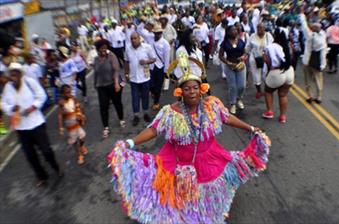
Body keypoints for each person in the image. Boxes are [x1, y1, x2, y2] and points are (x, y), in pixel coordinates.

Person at [108, 55, 270, 224]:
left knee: (207, 193)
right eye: (187, 89)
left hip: (208, 159)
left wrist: (251, 128)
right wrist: (130, 143)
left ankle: (206, 216)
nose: (192, 91)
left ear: (201, 88)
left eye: (195, 87)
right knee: (180, 194)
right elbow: (154, 129)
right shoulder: (169, 112)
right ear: (180, 92)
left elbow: (227, 118)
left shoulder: (212, 105)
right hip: (178, 161)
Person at [1, 63, 63, 187]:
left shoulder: (29, 82)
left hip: (36, 123)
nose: (13, 76)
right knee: (30, 155)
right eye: (11, 73)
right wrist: (11, 108)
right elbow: (4, 104)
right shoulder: (8, 87)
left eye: (16, 73)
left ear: (20, 73)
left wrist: (33, 107)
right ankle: (41, 176)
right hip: (21, 127)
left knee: (46, 150)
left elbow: (41, 96)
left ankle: (56, 167)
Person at [93, 39, 126, 138]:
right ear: (98, 49)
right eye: (101, 48)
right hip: (101, 86)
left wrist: (116, 83)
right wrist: (95, 84)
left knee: (117, 103)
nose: (104, 50)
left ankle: (121, 119)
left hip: (112, 84)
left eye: (105, 48)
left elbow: (116, 70)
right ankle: (106, 127)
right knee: (103, 106)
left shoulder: (111, 56)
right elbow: (96, 73)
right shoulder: (96, 59)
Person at [262, 28, 295, 123]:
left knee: (268, 91)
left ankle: (269, 111)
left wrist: (264, 57)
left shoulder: (271, 46)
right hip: (289, 72)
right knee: (283, 94)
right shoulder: (288, 46)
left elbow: (268, 61)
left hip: (277, 72)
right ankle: (282, 116)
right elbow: (292, 58)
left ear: (275, 36)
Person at [124, 32, 156, 126]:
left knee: (145, 96)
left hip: (145, 78)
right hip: (133, 79)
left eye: (135, 38)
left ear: (139, 38)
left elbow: (154, 59)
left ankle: (146, 113)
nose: (133, 40)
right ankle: (136, 116)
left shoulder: (147, 47)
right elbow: (126, 61)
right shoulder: (128, 49)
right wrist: (126, 74)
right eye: (132, 39)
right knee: (135, 98)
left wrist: (146, 61)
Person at [299, 10, 327, 104]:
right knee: (318, 79)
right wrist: (323, 64)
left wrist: (302, 14)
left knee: (308, 80)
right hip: (318, 62)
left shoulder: (310, 35)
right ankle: (318, 96)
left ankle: (310, 96)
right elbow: (323, 52)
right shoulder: (323, 36)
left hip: (308, 61)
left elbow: (304, 26)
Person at [219, 25, 248, 115]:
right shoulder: (225, 43)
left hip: (240, 65)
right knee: (232, 86)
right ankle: (233, 103)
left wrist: (243, 56)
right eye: (232, 30)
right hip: (230, 66)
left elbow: (245, 52)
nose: (235, 31)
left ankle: (239, 99)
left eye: (235, 29)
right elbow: (221, 55)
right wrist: (227, 63)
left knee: (241, 86)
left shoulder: (240, 41)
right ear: (228, 32)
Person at [58, 85, 88, 165]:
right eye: (67, 93)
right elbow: (60, 115)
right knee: (74, 141)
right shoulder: (61, 102)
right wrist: (61, 127)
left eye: (70, 92)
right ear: (62, 94)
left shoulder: (73, 98)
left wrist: (82, 115)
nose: (69, 94)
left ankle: (81, 146)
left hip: (77, 123)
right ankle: (79, 155)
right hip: (70, 126)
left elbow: (79, 106)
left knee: (82, 137)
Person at [246, 23, 274, 100]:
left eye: (262, 28)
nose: (260, 30)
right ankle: (259, 91)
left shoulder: (268, 36)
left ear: (264, 28)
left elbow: (272, 46)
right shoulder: (252, 36)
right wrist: (246, 54)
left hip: (265, 58)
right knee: (256, 75)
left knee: (265, 74)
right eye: (258, 28)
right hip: (255, 58)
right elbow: (248, 47)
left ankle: (266, 90)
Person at [150, 24, 170, 111]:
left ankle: (156, 102)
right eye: (155, 33)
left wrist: (166, 71)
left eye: (159, 33)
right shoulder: (151, 41)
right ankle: (155, 93)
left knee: (158, 86)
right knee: (151, 85)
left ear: (161, 33)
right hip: (151, 66)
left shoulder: (165, 44)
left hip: (160, 67)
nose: (157, 34)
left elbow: (167, 58)